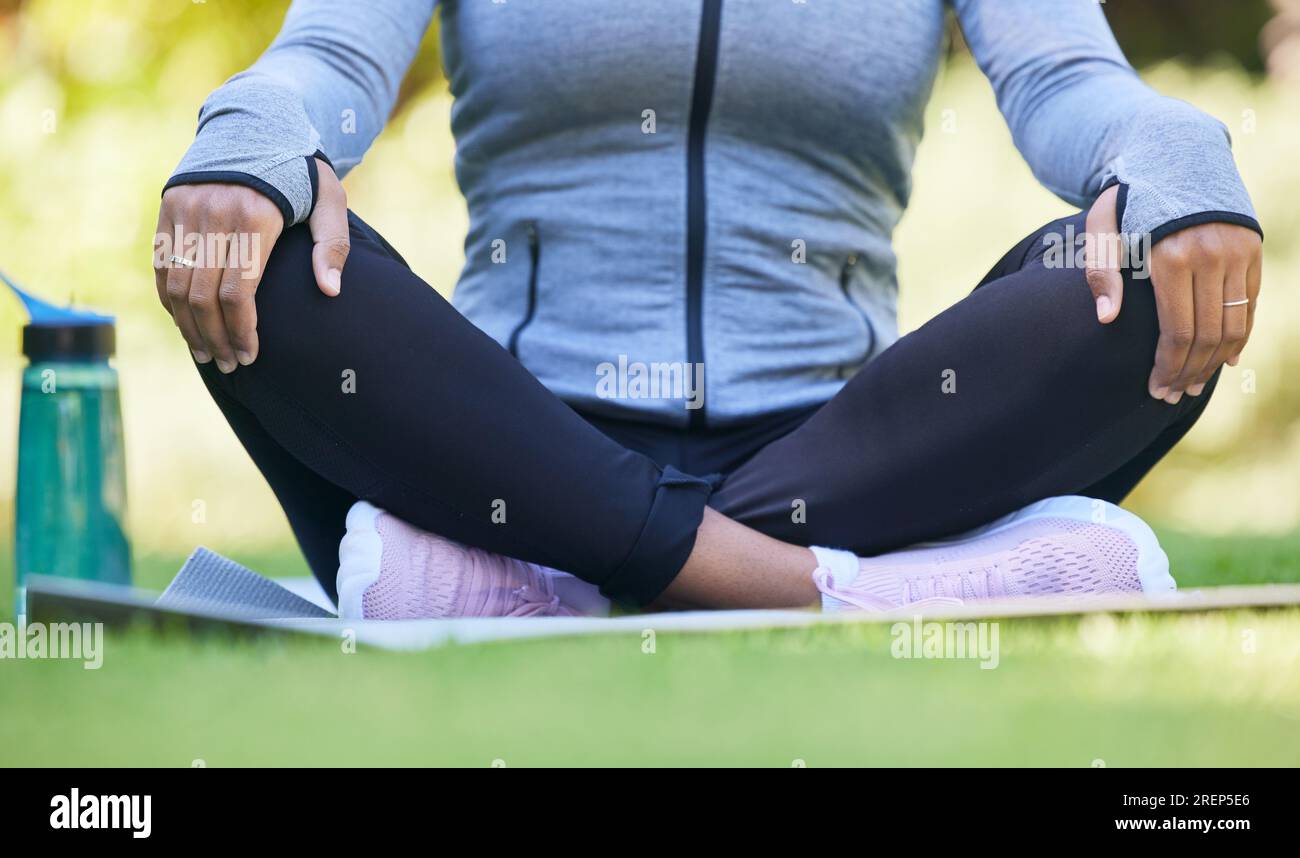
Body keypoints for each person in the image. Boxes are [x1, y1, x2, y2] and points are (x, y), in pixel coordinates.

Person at [153, 0, 1262, 619]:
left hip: (844, 463)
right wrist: (248, 148)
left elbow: (1068, 78)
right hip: (503, 456)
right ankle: (824, 592)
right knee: (258, 250)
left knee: (1142, 271)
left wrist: (1175, 162)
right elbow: (328, 57)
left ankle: (559, 588)